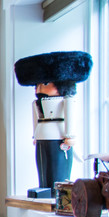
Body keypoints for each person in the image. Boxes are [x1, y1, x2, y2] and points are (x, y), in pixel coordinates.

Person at [14, 51, 93, 197]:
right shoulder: (37, 103)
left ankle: (58, 194)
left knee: (57, 168)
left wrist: (70, 135)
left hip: (58, 135)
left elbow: (70, 116)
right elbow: (35, 118)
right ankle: (45, 189)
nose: (39, 89)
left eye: (44, 84)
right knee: (42, 165)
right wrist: (35, 135)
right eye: (37, 85)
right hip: (42, 134)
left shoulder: (68, 101)